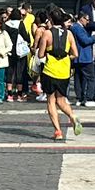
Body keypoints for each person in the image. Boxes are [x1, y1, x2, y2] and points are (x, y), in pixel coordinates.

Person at [36, 8, 84, 140]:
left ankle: (58, 131)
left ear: (50, 20)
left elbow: (41, 54)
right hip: (64, 71)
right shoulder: (69, 34)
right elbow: (75, 54)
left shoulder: (47, 33)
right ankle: (73, 116)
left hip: (50, 70)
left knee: (51, 101)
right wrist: (66, 57)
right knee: (61, 100)